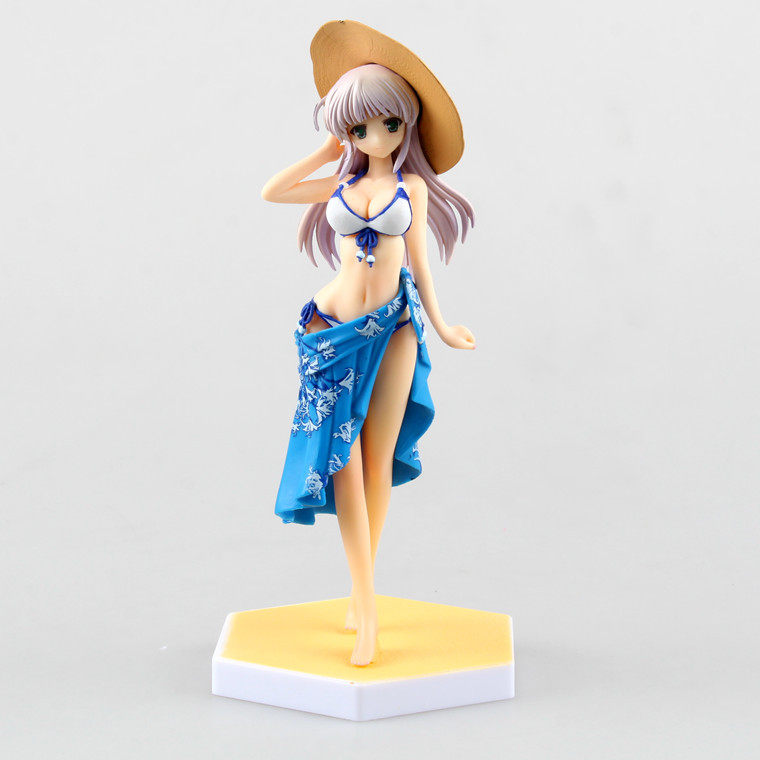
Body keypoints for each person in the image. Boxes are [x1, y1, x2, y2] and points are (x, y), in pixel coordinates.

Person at [261, 20, 476, 666]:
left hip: (394, 328)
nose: (375, 139)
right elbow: (272, 192)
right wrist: (325, 153)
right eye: (359, 128)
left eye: (387, 124)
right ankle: (366, 604)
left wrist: (443, 324)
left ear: (406, 124)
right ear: (345, 132)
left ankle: (364, 596)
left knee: (376, 460)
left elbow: (421, 265)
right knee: (344, 462)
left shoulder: (411, 188)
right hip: (331, 331)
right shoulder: (341, 184)